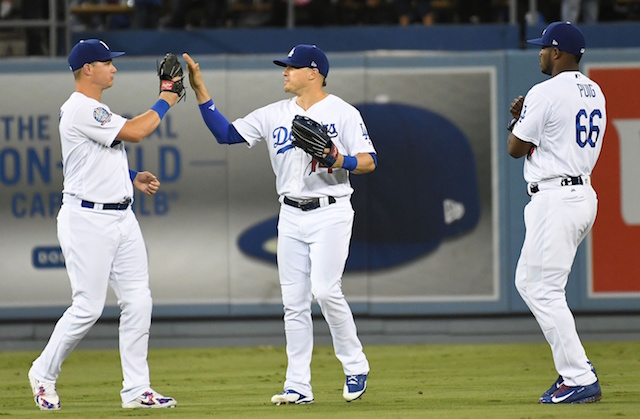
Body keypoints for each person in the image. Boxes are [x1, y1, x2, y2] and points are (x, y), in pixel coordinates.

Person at [182, 44, 376, 404]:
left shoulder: (343, 112)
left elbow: (369, 162)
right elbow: (227, 134)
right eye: (284, 67)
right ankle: (298, 386)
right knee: (294, 303)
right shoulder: (274, 114)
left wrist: (340, 158)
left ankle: (355, 365)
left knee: (325, 290)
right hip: (289, 214)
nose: (285, 72)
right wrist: (200, 90)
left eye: (291, 67)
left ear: (313, 72)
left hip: (331, 210)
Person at [27, 39, 182, 411]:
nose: (113, 68)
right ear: (88, 69)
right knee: (88, 306)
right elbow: (136, 131)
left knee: (138, 300)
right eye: (107, 62)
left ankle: (136, 390)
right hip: (87, 219)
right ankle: (42, 373)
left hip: (121, 216)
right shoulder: (80, 108)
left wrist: (130, 177)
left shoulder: (94, 108)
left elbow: (92, 159)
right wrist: (168, 97)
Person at [507, 21, 606, 404]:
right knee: (528, 283)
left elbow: (516, 148)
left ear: (559, 52)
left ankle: (578, 376)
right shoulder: (595, 90)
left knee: (544, 290)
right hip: (581, 193)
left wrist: (520, 118)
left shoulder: (545, 91)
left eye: (545, 48)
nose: (540, 53)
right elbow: (556, 133)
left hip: (556, 196)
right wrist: (528, 117)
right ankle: (576, 364)